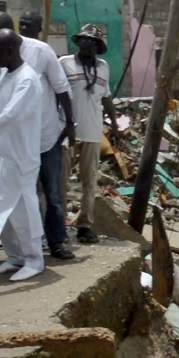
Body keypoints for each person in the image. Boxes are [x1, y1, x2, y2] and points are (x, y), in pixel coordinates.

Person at [0, 12, 75, 260]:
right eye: (24, 25)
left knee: (52, 194)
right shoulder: (4, 62)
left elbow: (62, 89)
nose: (27, 28)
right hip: (16, 143)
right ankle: (25, 251)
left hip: (45, 135)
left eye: (31, 25)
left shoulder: (40, 52)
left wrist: (70, 124)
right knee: (22, 197)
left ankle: (55, 243)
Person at [59, 24, 118, 243]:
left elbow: (106, 98)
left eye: (93, 42)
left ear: (98, 46)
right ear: (78, 42)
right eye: (84, 40)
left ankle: (84, 225)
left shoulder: (103, 67)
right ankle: (59, 225)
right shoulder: (64, 63)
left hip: (93, 132)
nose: (88, 44)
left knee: (89, 183)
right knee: (62, 181)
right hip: (67, 131)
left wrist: (114, 124)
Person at [0, 28, 45, 281]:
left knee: (24, 210)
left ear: (8, 50)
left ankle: (34, 260)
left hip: (21, 155)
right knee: (3, 209)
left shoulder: (27, 79)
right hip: (5, 154)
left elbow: (10, 115)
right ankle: (15, 257)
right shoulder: (5, 75)